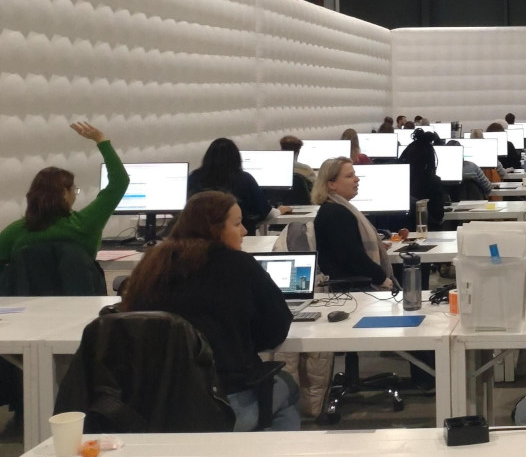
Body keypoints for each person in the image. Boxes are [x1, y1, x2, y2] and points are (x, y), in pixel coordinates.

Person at [119, 191, 300, 431]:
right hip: (226, 403)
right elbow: (275, 331)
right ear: (215, 229)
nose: (245, 230)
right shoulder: (240, 266)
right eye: (237, 224)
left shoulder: (152, 266)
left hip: (157, 405)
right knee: (287, 387)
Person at [0, 122, 129, 266]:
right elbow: (119, 183)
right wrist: (101, 140)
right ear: (64, 193)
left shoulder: (15, 232)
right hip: (81, 289)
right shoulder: (85, 224)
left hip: (26, 289)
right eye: (74, 189)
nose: (75, 194)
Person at [312, 158, 394, 288]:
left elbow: (345, 246)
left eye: (354, 174)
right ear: (331, 184)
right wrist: (381, 278)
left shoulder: (334, 208)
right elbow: (352, 256)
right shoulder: (336, 213)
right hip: (350, 290)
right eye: (349, 176)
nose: (357, 179)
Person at [188, 138, 275, 233]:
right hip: (241, 237)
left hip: (200, 236)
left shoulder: (194, 178)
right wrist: (279, 211)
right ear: (236, 157)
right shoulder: (245, 179)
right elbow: (265, 212)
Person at [400, 130, 446, 228]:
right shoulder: (433, 182)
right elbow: (439, 216)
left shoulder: (398, 181)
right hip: (426, 232)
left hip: (399, 232)